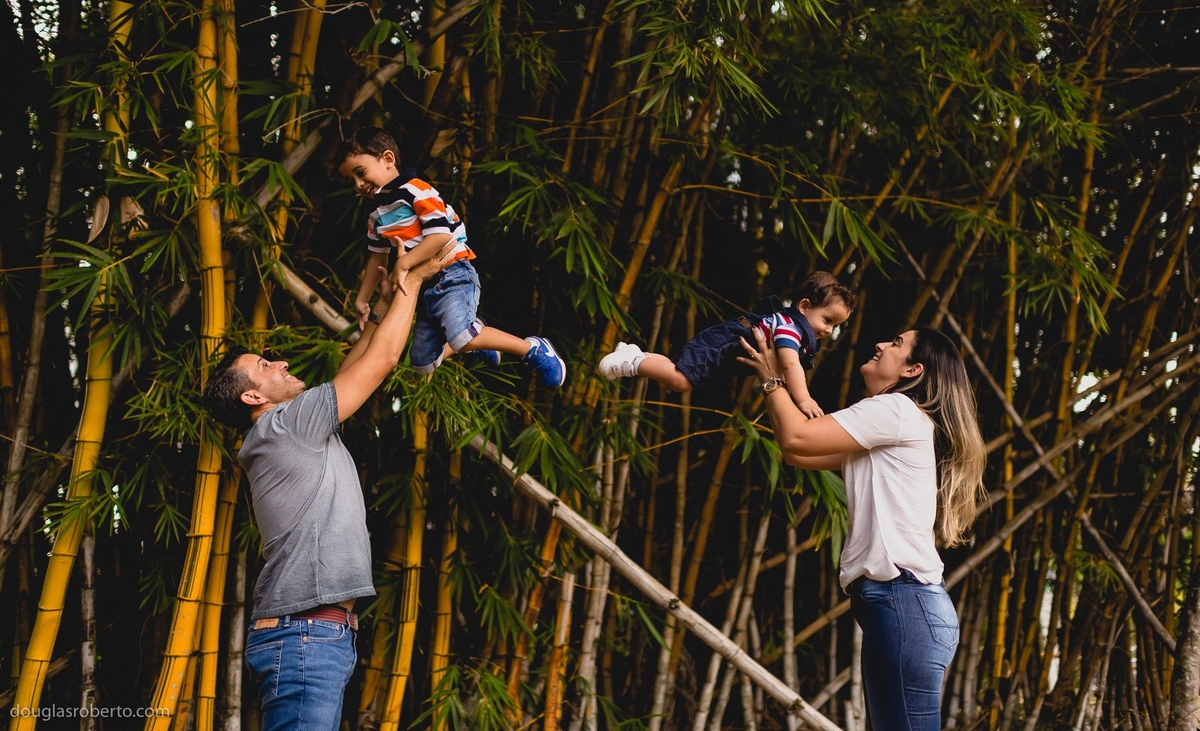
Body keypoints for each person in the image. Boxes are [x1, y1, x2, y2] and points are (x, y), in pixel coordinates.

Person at [201, 245, 453, 731]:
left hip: (310, 635)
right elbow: (381, 360)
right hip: (304, 637)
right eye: (264, 365)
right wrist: (413, 279)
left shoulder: (283, 429)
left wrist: (381, 306)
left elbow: (352, 370)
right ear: (253, 396)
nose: (279, 362)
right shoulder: (286, 426)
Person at [738, 324, 987, 730]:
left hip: (905, 605)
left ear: (912, 370)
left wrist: (772, 379)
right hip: (907, 607)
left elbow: (798, 439)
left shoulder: (896, 409)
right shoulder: (894, 421)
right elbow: (798, 451)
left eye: (896, 343)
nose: (881, 343)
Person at [337, 126, 565, 388]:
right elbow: (376, 258)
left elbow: (440, 235)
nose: (358, 184)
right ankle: (474, 336)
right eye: (351, 180)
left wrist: (404, 262)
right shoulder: (376, 216)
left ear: (387, 159)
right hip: (423, 290)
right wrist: (362, 299)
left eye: (360, 172)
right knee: (422, 363)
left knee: (460, 336)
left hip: (452, 273)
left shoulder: (416, 190)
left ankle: (532, 349)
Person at [598, 271, 855, 417]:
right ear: (805, 306)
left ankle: (636, 354)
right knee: (681, 381)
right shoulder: (790, 328)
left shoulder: (792, 329)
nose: (828, 330)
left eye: (835, 326)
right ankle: (634, 363)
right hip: (724, 343)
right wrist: (804, 399)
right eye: (827, 320)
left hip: (725, 347)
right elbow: (790, 365)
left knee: (676, 371)